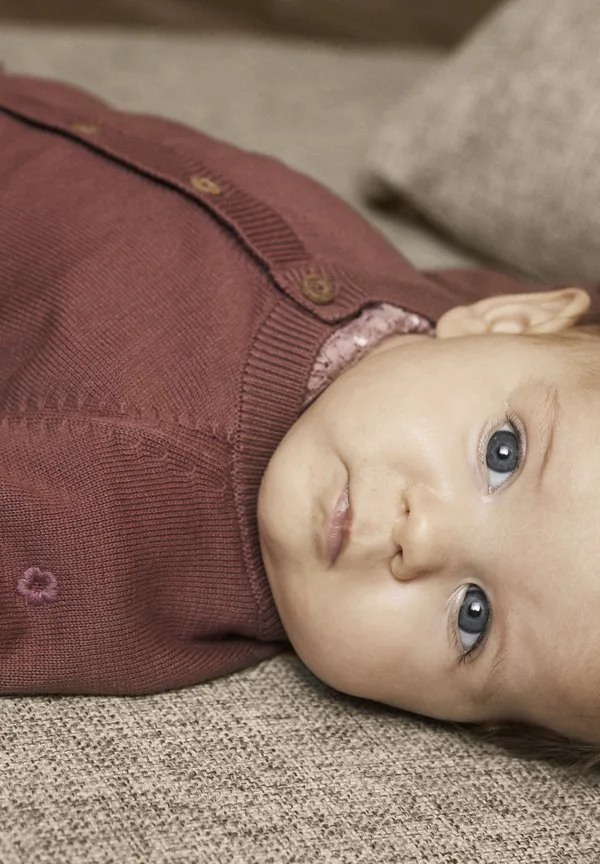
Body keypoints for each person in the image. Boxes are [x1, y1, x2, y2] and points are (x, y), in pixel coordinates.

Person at [0, 69, 599, 769]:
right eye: (503, 454)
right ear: (510, 321)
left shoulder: (118, 514)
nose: (421, 537)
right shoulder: (470, 333)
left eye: (473, 617)